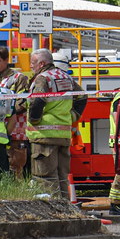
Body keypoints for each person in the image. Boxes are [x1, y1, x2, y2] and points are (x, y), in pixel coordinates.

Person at [26, 49, 86, 197]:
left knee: (45, 177)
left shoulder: (42, 78)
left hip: (44, 135)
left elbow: (37, 100)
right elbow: (82, 96)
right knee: (62, 176)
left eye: (33, 63)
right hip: (63, 135)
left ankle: (53, 211)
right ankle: (65, 210)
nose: (31, 66)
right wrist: (73, 115)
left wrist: (34, 119)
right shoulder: (66, 77)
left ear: (41, 63)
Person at [0, 46, 31, 177]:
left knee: (15, 166)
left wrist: (3, 111)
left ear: (6, 60)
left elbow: (23, 103)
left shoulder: (19, 78)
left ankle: (17, 195)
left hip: (16, 132)